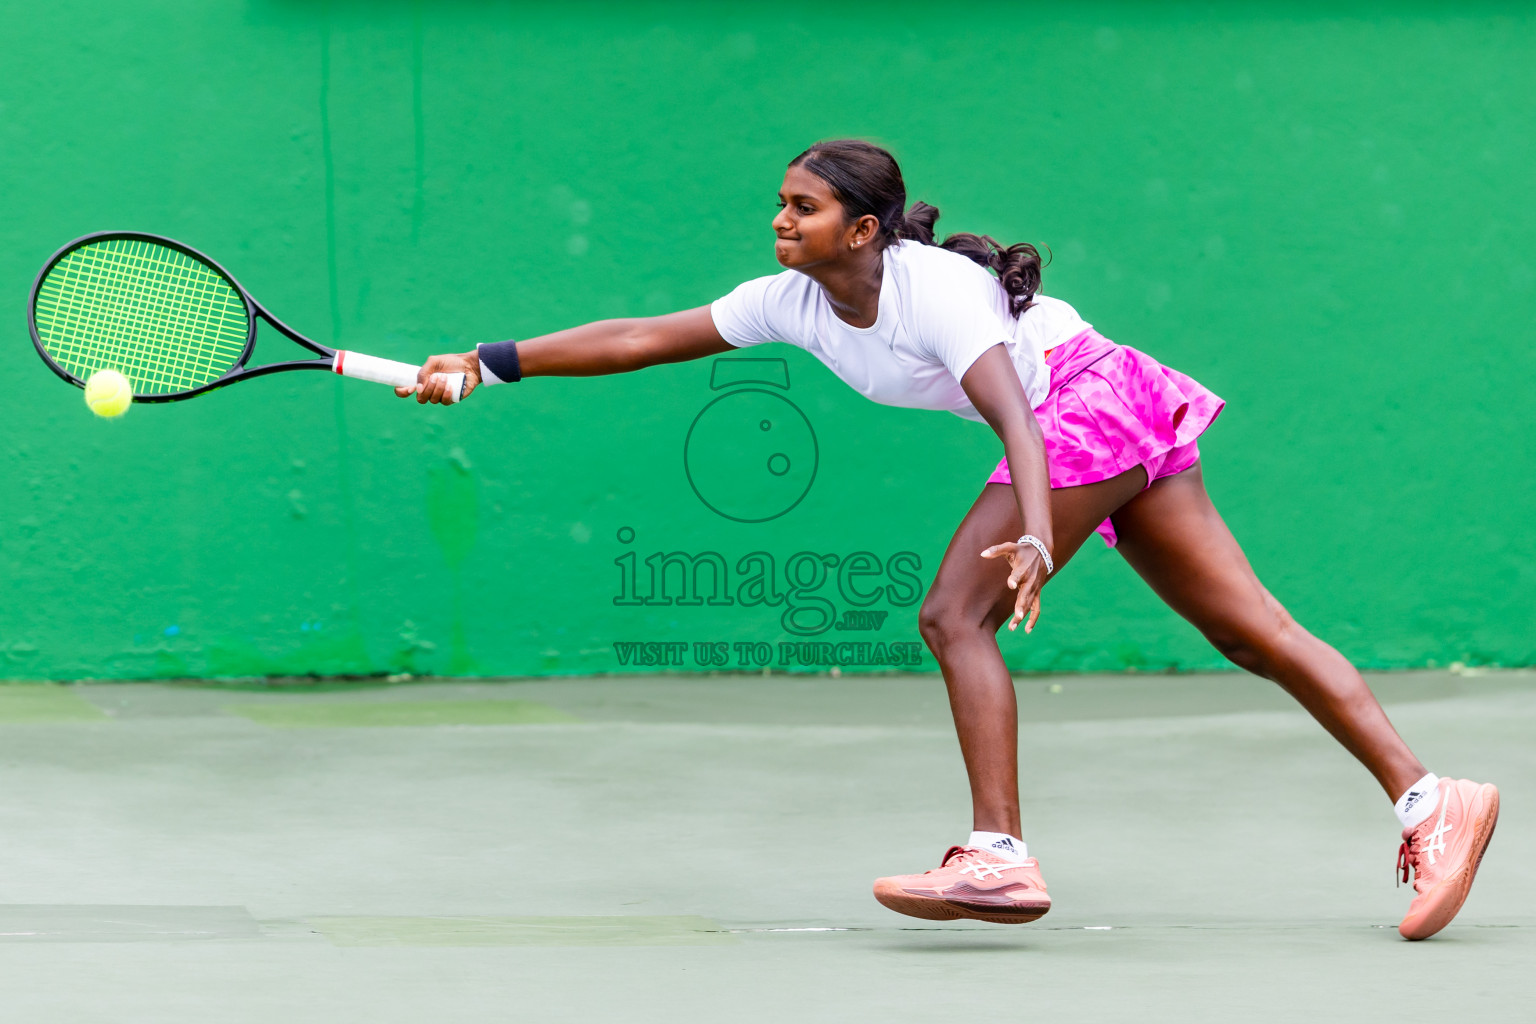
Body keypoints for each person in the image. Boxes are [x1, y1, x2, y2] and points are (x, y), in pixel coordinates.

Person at [401, 139, 1497, 940]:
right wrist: (488, 359)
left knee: (951, 611)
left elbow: (1020, 415)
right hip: (1116, 403)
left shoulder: (942, 293)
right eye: (780, 203)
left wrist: (1030, 530)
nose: (780, 221)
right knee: (1252, 631)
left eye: (804, 208)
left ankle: (999, 857)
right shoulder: (792, 301)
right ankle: (1428, 797)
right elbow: (643, 336)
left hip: (1082, 406)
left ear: (864, 229)